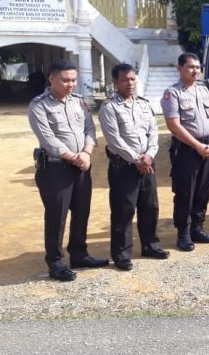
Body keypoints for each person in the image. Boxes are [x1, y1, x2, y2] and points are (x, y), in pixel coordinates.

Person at [28, 59, 108, 281]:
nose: (70, 84)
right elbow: (48, 139)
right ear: (51, 79)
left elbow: (90, 129)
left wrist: (87, 153)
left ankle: (79, 254)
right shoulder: (39, 105)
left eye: (73, 80)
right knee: (57, 217)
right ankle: (55, 263)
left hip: (81, 166)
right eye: (65, 80)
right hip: (56, 169)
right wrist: (74, 157)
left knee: (82, 212)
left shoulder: (79, 102)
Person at [99, 63, 169, 271]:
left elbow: (153, 133)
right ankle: (121, 254)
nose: (129, 83)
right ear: (115, 82)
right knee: (124, 210)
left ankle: (150, 245)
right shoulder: (109, 107)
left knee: (150, 206)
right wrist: (138, 160)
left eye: (132, 79)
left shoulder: (143, 104)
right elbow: (114, 140)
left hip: (147, 164)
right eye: (124, 80)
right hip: (124, 167)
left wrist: (149, 156)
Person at [161, 53, 209, 251]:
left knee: (204, 189)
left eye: (197, 67)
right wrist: (197, 146)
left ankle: (197, 228)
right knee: (185, 192)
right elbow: (173, 125)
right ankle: (183, 233)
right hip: (186, 150)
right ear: (179, 68)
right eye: (190, 67)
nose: (195, 70)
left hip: (208, 147)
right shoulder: (173, 93)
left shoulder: (203, 91)